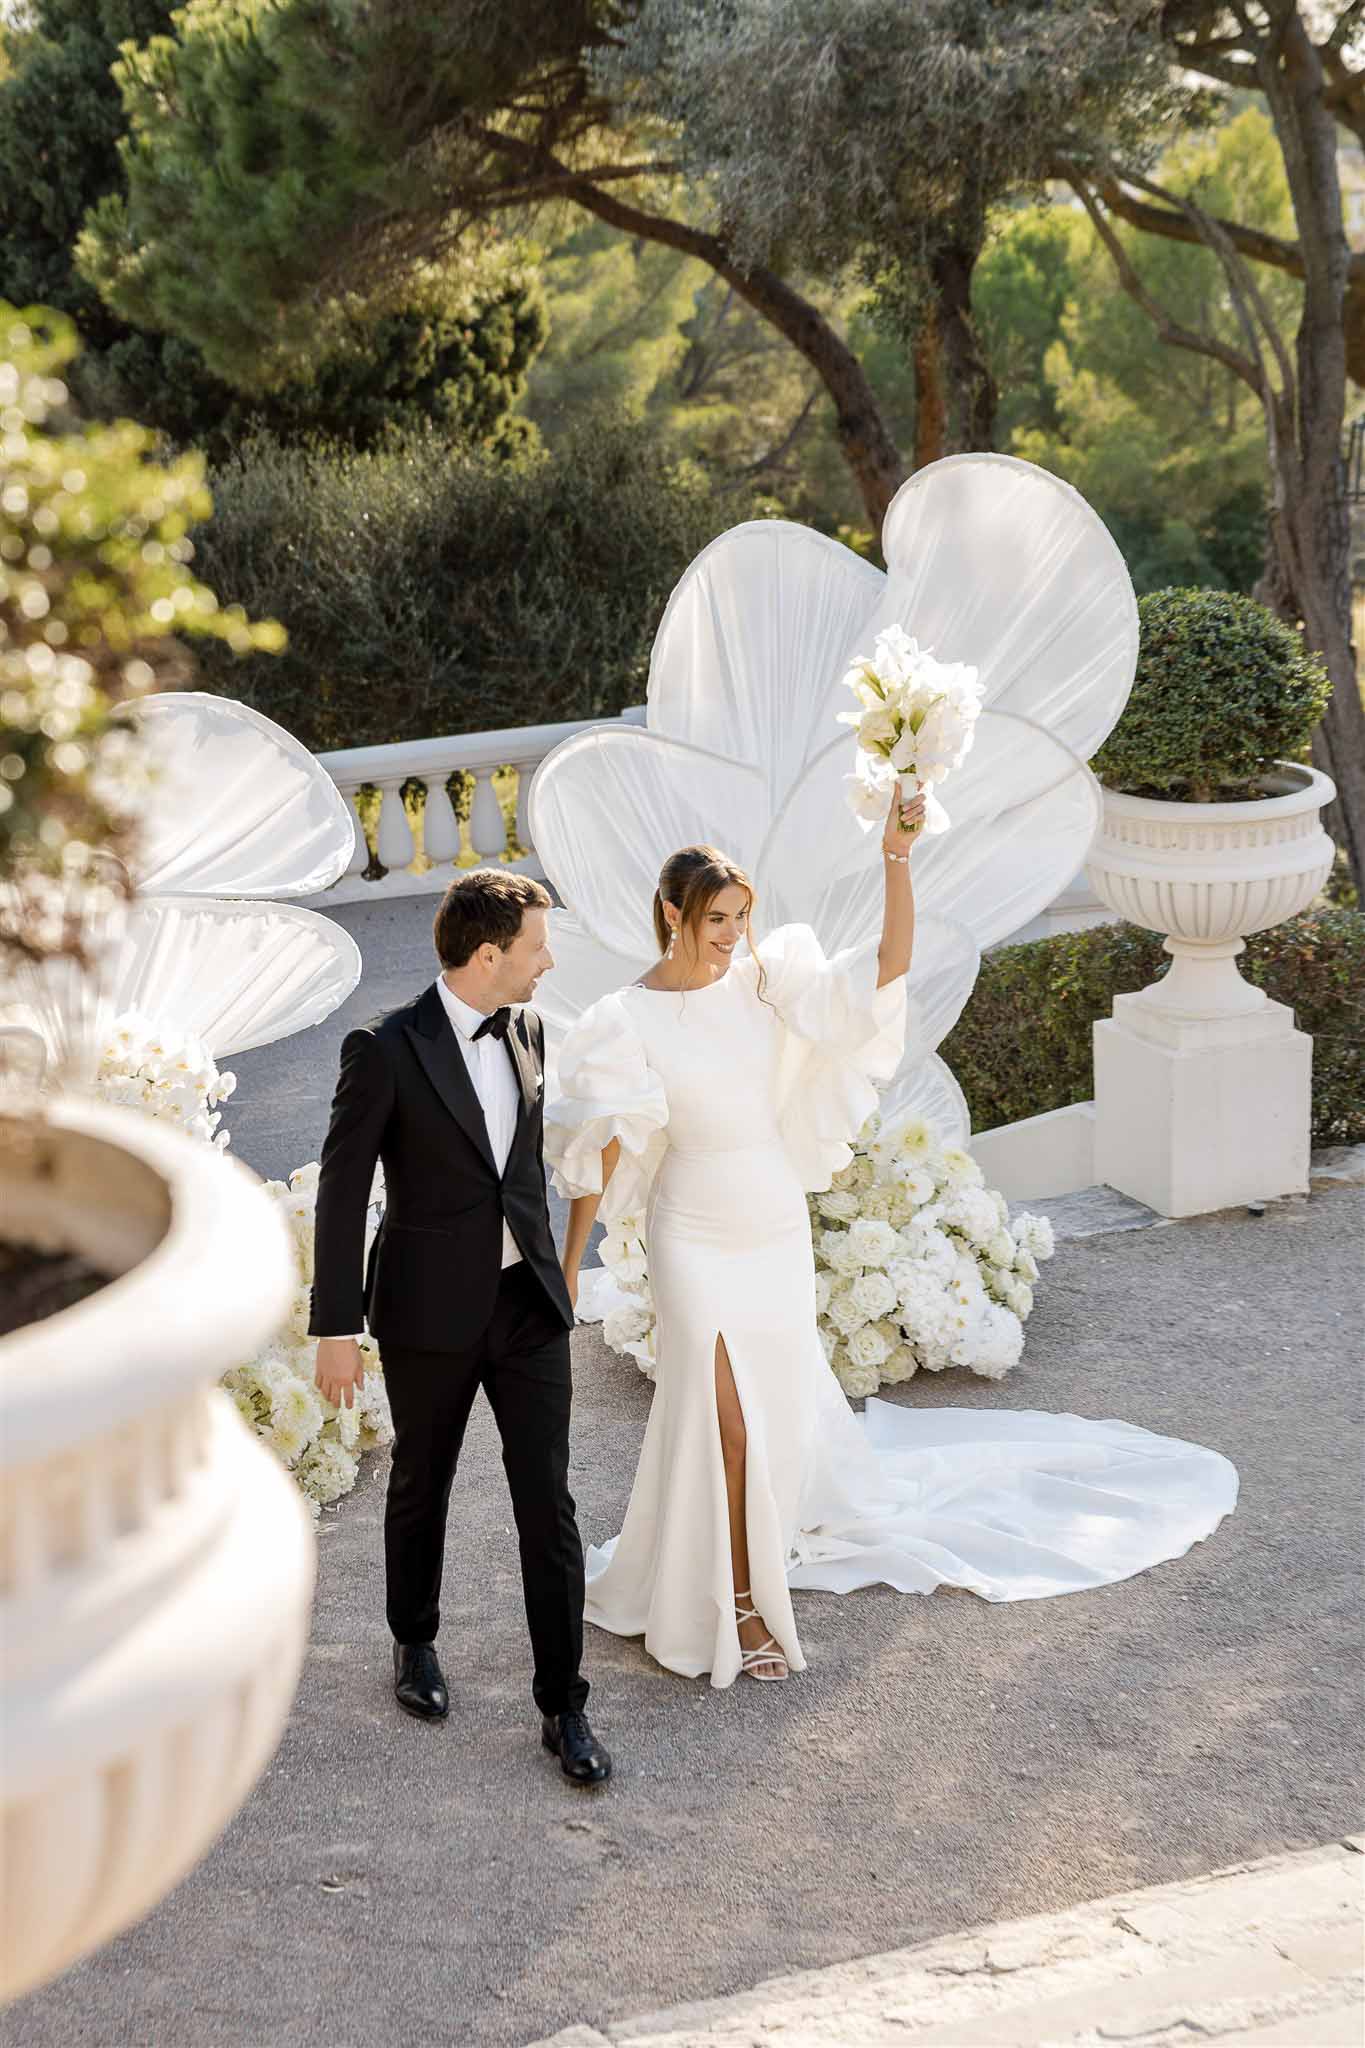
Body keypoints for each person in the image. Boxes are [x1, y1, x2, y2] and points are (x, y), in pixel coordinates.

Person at [547, 789, 1237, 1688]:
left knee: (767, 1417)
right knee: (722, 1424)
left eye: (741, 917)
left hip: (770, 1222)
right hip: (692, 1230)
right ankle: (737, 1604)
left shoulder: (765, 981)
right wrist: (567, 1268)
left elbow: (885, 967)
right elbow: (600, 1151)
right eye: (716, 919)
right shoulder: (623, 1018)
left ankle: (737, 1577)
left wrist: (895, 857)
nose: (732, 934)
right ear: (672, 915)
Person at [309, 869, 610, 1783]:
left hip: (525, 1310)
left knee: (547, 1504)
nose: (547, 963)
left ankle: (564, 1707)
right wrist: (335, 1327)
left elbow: (519, 1173)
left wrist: (558, 1269)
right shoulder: (384, 1048)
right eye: (536, 947)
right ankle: (415, 1642)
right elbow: (342, 1190)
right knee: (422, 1482)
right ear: (488, 954)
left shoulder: (528, 1029)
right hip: (427, 1312)